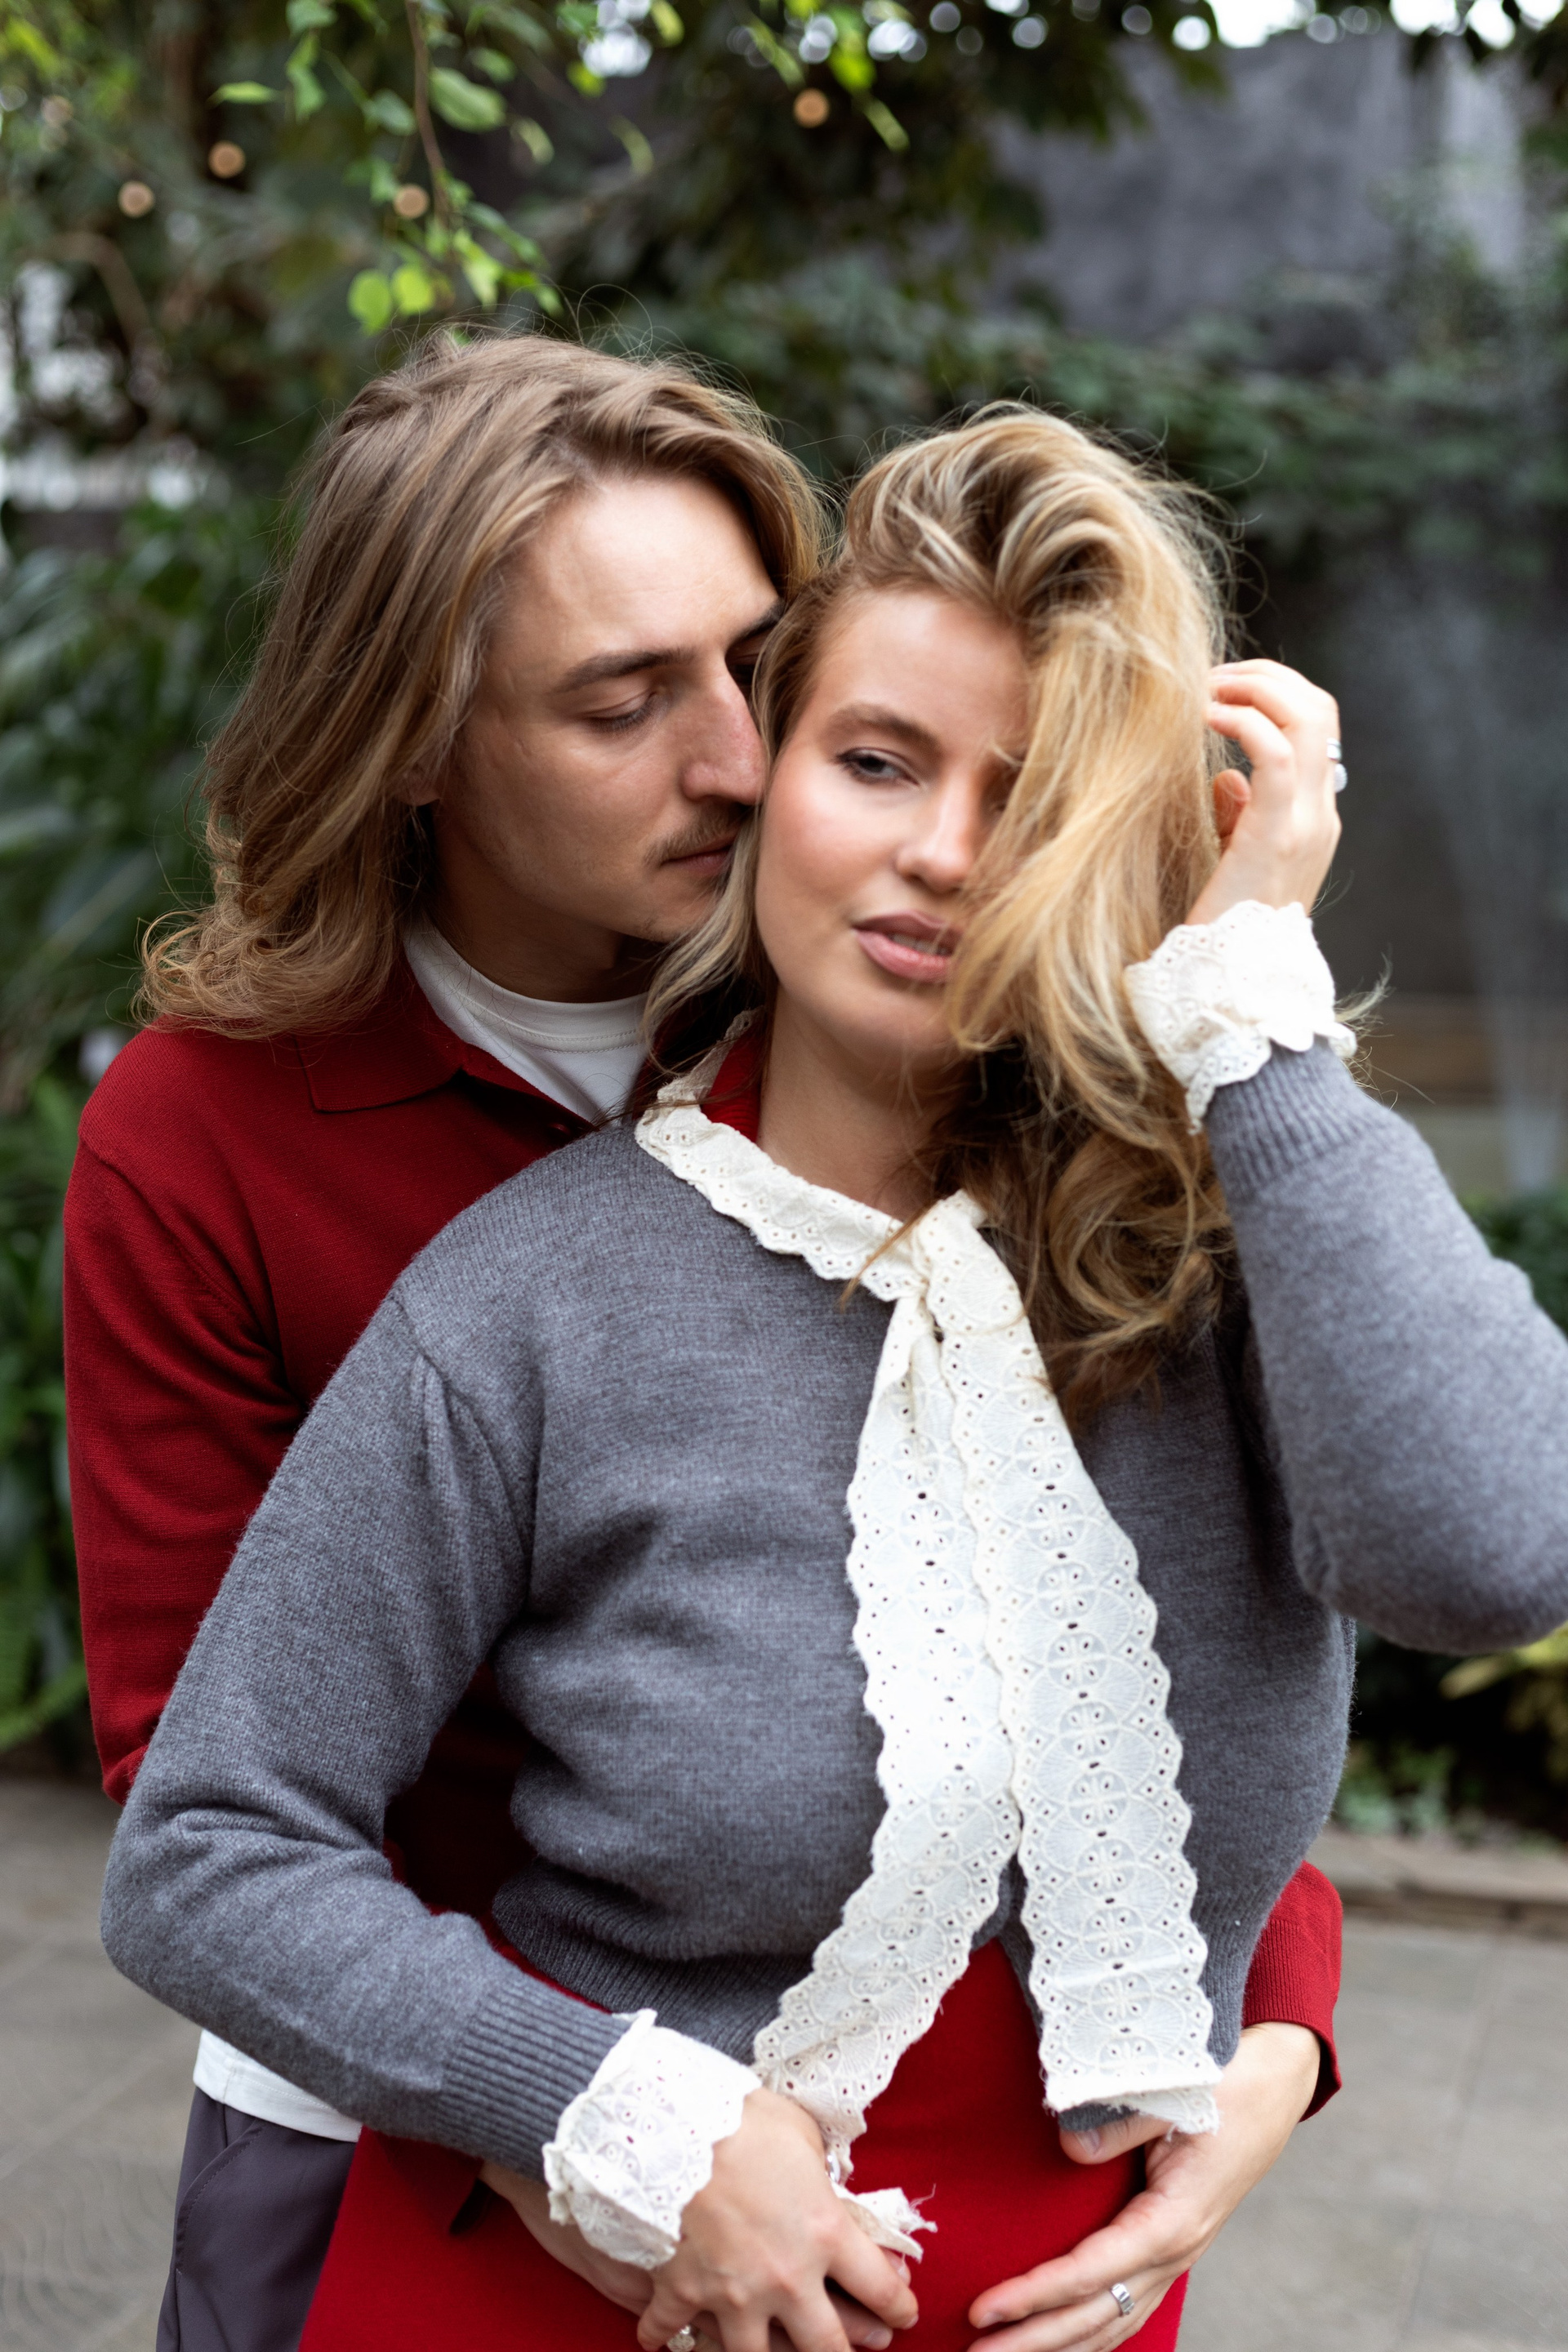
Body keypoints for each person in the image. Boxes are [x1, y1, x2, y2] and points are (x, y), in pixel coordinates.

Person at [101, 404, 1568, 2352]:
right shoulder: (513, 1288)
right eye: (874, 760)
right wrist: (609, 2121)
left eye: (1031, 798)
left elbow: (1494, 1551)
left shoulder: (1233, 1262)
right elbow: (208, 1836)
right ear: (779, 787)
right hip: (541, 2270)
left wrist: (1254, 1000)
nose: (942, 856)